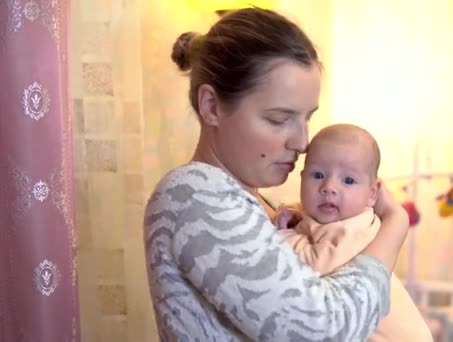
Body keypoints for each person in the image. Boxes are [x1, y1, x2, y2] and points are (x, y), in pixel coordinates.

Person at [143, 7, 431, 341]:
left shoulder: (259, 204)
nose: (303, 142)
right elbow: (322, 329)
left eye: (307, 117)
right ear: (211, 106)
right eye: (279, 119)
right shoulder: (193, 194)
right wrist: (395, 223)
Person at [274, 123, 425, 341]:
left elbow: (317, 267)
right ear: (302, 177)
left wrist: (284, 235)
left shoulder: (359, 227)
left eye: (348, 180)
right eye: (317, 175)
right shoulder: (330, 220)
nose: (329, 187)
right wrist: (295, 218)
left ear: (372, 194)